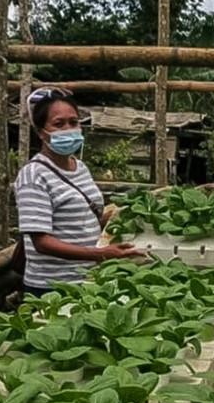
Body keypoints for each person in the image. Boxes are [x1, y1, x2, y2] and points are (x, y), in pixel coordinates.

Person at [14, 87, 142, 295]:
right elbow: (42, 242)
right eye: (58, 124)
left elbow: (82, 219)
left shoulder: (79, 167)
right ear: (40, 131)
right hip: (51, 288)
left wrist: (111, 218)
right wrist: (100, 254)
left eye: (73, 122)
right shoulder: (34, 175)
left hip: (89, 280)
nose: (68, 129)